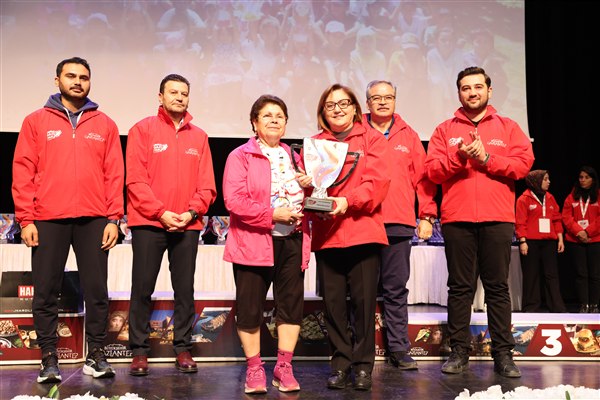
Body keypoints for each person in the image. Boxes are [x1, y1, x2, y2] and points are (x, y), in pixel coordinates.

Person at [12, 56, 124, 383]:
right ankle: (49, 359)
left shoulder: (105, 124)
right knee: (46, 291)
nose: (77, 81)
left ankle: (96, 355)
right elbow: (23, 172)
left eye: (83, 77)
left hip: (94, 218)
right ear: (57, 80)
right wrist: (26, 219)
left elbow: (114, 174)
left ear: (90, 82)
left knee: (97, 291)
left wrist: (113, 218)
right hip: (48, 218)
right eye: (71, 76)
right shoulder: (35, 121)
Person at [424, 66, 534, 378]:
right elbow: (432, 172)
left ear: (489, 90)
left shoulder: (509, 127)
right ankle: (459, 352)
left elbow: (523, 166)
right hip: (457, 220)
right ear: (459, 93)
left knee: (498, 288)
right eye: (465, 88)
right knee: (460, 288)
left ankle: (504, 354)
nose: (472, 92)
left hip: (498, 219)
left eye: (477, 87)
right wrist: (460, 158)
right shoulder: (444, 130)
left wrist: (487, 159)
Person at [125, 74, 216, 376]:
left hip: (187, 224)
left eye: (184, 93)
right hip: (149, 222)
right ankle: (139, 351)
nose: (179, 97)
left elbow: (207, 185)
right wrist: (160, 212)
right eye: (173, 92)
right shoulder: (142, 130)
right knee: (142, 288)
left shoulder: (199, 136)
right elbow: (135, 181)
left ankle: (183, 348)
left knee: (185, 289)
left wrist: (190, 213)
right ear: (160, 96)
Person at [222, 94, 311, 394]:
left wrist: (311, 188)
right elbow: (234, 201)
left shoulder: (297, 157)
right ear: (254, 122)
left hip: (292, 241)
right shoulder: (240, 156)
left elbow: (309, 197)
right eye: (267, 115)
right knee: (250, 309)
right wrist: (272, 214)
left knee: (291, 307)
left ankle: (284, 367)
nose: (274, 120)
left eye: (280, 116)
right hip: (253, 242)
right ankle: (254, 368)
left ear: (286, 123)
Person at [306, 83, 391, 391]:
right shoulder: (315, 144)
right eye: (330, 105)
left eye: (344, 103)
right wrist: (309, 194)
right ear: (323, 112)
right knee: (333, 306)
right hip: (328, 234)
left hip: (363, 231)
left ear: (355, 108)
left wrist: (347, 201)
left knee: (364, 304)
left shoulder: (372, 139)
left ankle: (363, 365)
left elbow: (377, 183)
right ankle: (340, 364)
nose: (338, 109)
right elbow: (311, 189)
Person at [361, 80, 438, 370]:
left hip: (398, 223)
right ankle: (360, 352)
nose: (383, 102)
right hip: (361, 222)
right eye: (376, 98)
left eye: (388, 97)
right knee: (361, 292)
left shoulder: (410, 135)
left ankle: (399, 349)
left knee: (395, 289)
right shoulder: (356, 131)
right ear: (367, 103)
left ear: (395, 100)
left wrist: (427, 215)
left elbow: (424, 179)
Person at [515, 170, 567, 313]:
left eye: (548, 179)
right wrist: (522, 241)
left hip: (549, 241)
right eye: (545, 179)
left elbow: (557, 219)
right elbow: (520, 222)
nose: (549, 182)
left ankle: (556, 306)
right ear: (536, 181)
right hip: (531, 241)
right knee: (531, 274)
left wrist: (560, 239)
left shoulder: (550, 197)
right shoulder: (524, 199)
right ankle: (531, 306)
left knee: (552, 274)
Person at [561, 165, 600, 313]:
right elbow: (566, 217)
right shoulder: (572, 196)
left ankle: (594, 304)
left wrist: (588, 232)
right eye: (581, 177)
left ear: (593, 179)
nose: (583, 180)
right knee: (581, 274)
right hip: (576, 240)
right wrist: (579, 232)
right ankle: (584, 304)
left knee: (595, 274)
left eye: (586, 177)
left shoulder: (598, 195)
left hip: (595, 240)